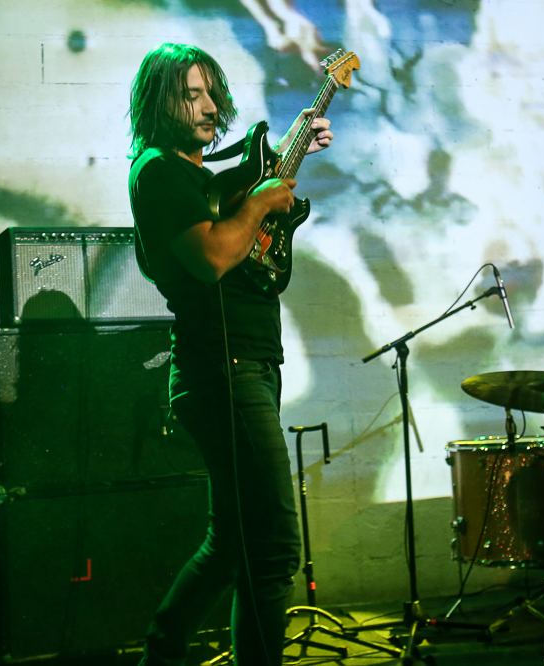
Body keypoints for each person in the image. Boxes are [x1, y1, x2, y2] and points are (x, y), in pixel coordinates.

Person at [126, 43, 334, 666]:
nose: (209, 106)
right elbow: (214, 256)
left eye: (212, 93)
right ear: (159, 103)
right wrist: (262, 201)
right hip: (224, 369)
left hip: (249, 364)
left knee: (232, 545)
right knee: (272, 548)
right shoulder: (158, 172)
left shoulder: (199, 176)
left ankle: (160, 654)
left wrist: (288, 152)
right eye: (191, 94)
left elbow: (239, 203)